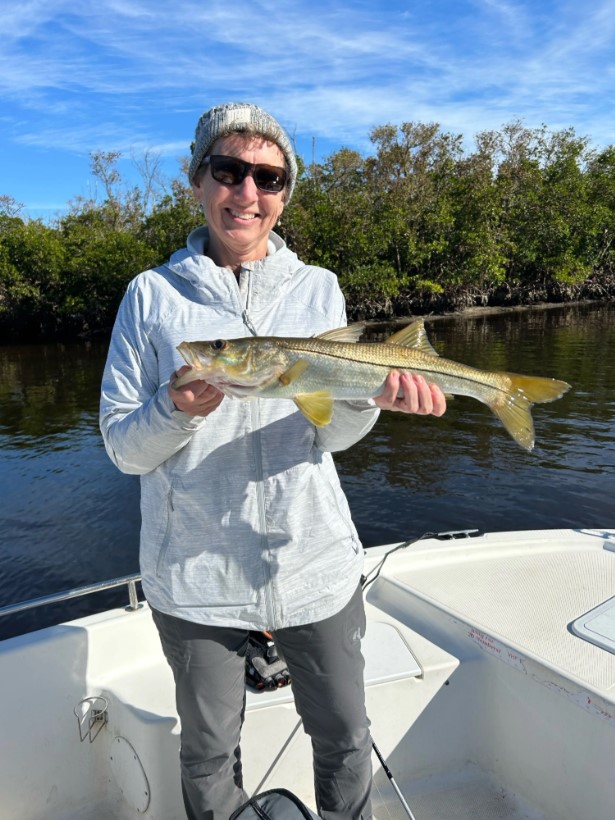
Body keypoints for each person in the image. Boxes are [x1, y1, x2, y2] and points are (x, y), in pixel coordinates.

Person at [100, 102, 446, 820]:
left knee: (346, 738)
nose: (247, 192)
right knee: (206, 754)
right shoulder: (150, 296)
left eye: (268, 177)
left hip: (313, 565)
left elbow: (332, 435)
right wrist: (175, 410)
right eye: (228, 171)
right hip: (194, 581)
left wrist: (371, 400)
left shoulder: (318, 287)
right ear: (197, 180)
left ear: (285, 193)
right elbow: (123, 448)